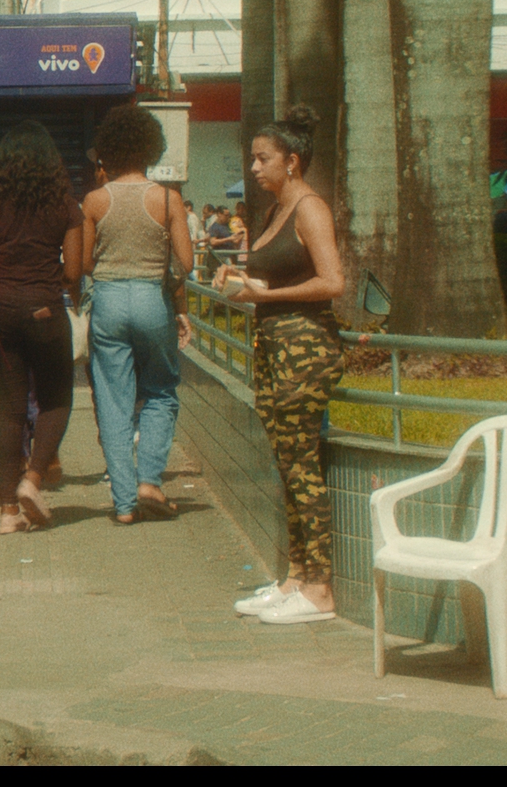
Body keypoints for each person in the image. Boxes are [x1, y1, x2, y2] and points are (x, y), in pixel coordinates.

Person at [218, 105, 347, 625]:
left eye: (262, 158)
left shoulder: (310, 209)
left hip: (304, 347)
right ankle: (296, 576)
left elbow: (333, 282)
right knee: (287, 465)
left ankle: (319, 589)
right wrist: (244, 284)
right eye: (253, 159)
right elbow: (272, 283)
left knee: (302, 467)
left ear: (291, 162)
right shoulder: (273, 213)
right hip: (272, 343)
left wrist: (264, 294)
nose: (254, 168)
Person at [81, 106, 195, 525]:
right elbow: (186, 260)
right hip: (152, 298)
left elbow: (87, 264)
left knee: (113, 400)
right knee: (161, 390)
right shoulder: (167, 198)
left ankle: (124, 503)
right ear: (151, 148)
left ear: (108, 151)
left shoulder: (94, 200)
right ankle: (150, 479)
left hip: (108, 300)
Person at [0, 121, 84, 535]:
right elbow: (74, 271)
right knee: (56, 400)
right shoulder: (64, 204)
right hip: (44, 310)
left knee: (8, 409)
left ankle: (7, 513)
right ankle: (33, 479)